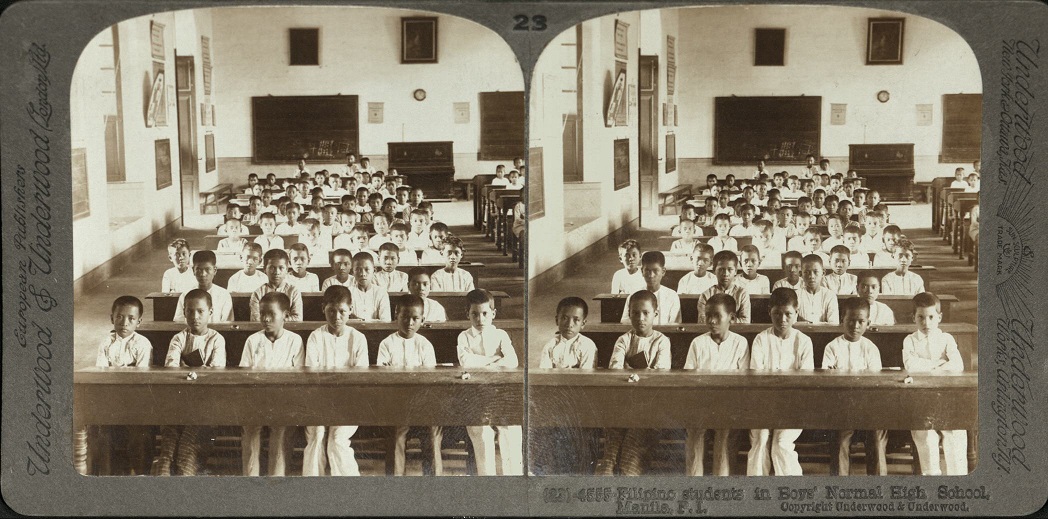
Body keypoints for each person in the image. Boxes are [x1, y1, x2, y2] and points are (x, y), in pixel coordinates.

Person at [595, 290, 671, 476]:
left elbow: (659, 374)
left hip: (650, 406)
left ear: (655, 313)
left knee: (632, 445)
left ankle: (629, 475)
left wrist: (630, 369)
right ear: (629, 314)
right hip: (623, 403)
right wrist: (639, 371)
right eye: (635, 313)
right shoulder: (623, 340)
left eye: (646, 313)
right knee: (612, 443)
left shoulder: (661, 341)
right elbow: (615, 369)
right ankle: (607, 472)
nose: (640, 318)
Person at [155, 289, 227, 476]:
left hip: (205, 408)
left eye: (200, 311)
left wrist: (187, 368)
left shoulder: (217, 339)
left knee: (186, 455)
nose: (195, 316)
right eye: (189, 311)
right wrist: (197, 370)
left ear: (210, 312)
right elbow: (171, 368)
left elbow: (216, 372)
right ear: (184, 312)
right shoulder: (179, 338)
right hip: (178, 405)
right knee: (167, 455)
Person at [302, 286, 368, 477]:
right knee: (317, 434)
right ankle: (314, 485)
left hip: (349, 402)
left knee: (337, 440)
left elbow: (359, 377)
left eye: (342, 311)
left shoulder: (358, 338)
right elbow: (311, 376)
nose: (337, 317)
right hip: (318, 401)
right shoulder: (316, 337)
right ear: (323, 308)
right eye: (331, 311)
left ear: (350, 309)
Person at [747, 287, 814, 476]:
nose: (782, 320)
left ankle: (790, 488)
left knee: (781, 443)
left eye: (788, 314)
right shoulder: (761, 339)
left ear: (796, 313)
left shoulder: (804, 341)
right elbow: (756, 377)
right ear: (770, 312)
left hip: (793, 404)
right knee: (760, 439)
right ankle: (757, 489)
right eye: (777, 314)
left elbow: (805, 380)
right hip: (763, 403)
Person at [376, 294, 444, 476]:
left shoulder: (425, 345)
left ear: (422, 319)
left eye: (415, 318)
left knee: (432, 431)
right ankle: (396, 483)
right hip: (397, 403)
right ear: (396, 314)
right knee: (396, 433)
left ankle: (434, 482)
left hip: (423, 403)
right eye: (405, 317)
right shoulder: (387, 344)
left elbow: (429, 379)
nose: (410, 323)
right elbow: (384, 378)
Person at [457, 289, 523, 476]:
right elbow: (466, 362)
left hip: (501, 393)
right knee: (482, 432)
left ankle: (515, 475)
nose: (480, 319)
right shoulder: (464, 337)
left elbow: (512, 361)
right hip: (475, 394)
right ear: (467, 314)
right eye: (475, 314)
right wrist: (495, 359)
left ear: (493, 314)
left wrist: (482, 363)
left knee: (511, 427)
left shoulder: (501, 335)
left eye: (485, 313)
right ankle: (487, 478)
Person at [684, 293, 749, 476]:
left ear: (731, 317)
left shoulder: (740, 343)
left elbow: (743, 380)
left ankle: (721, 483)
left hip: (729, 403)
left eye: (717, 316)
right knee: (695, 432)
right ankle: (694, 482)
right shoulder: (698, 343)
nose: (711, 321)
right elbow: (689, 378)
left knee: (725, 434)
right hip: (701, 402)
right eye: (708, 315)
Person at [823, 297, 888, 476]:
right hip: (842, 406)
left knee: (876, 437)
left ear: (868, 322)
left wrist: (842, 376)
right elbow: (829, 381)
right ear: (842, 319)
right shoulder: (832, 347)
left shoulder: (871, 348)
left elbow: (874, 383)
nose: (855, 326)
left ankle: (878, 483)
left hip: (869, 407)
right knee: (840, 439)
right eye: (850, 320)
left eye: (861, 321)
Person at [240, 292, 304, 476]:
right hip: (256, 398)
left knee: (281, 430)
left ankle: (276, 481)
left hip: (284, 399)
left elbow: (298, 376)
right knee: (251, 429)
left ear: (285, 314)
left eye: (271, 314)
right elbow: (245, 374)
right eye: (262, 314)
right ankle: (250, 480)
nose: (266, 319)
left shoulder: (295, 341)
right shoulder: (253, 340)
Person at [533, 297, 598, 475]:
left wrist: (562, 372)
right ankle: (550, 468)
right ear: (556, 320)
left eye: (576, 320)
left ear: (583, 323)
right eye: (564, 318)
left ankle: (581, 469)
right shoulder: (550, 346)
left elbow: (585, 378)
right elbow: (544, 375)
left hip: (580, 399)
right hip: (556, 397)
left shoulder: (587, 346)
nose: (569, 324)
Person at [905, 292, 968, 475]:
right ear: (913, 318)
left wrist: (929, 368)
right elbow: (912, 366)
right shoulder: (909, 341)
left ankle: (957, 479)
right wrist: (940, 364)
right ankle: (932, 479)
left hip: (946, 395)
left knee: (955, 432)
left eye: (931, 317)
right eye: (921, 317)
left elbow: (958, 365)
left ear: (939, 317)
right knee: (925, 435)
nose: (926, 323)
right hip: (921, 397)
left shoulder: (946, 339)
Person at [619, 251, 681, 324]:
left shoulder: (672, 296)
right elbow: (625, 323)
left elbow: (674, 325)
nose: (651, 275)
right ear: (642, 271)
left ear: (663, 271)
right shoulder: (634, 295)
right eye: (647, 271)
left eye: (655, 271)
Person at [173, 251, 233, 323]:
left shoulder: (224, 295)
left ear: (215, 270)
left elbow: (227, 325)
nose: (203, 274)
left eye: (207, 269)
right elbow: (179, 323)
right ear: (193, 271)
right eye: (198, 269)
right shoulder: (185, 295)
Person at [696, 250, 751, 323]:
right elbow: (702, 321)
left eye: (730, 269)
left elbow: (745, 321)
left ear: (735, 271)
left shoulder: (742, 294)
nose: (725, 273)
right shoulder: (706, 295)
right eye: (721, 269)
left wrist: (718, 320)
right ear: (714, 271)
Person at [249, 249, 303, 322]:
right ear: (264, 269)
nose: (277, 272)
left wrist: (271, 319)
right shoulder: (258, 293)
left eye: (281, 268)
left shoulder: (293, 291)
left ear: (287, 269)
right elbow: (256, 320)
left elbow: (298, 319)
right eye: (272, 267)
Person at [346, 251, 391, 321]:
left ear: (374, 270)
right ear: (352, 271)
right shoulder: (347, 292)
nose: (363, 274)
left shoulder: (381, 292)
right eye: (358, 270)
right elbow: (346, 319)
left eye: (367, 269)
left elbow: (385, 320)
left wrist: (359, 319)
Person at [797, 254, 839, 324]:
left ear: (823, 273)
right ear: (800, 274)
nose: (811, 276)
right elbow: (792, 323)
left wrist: (807, 323)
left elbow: (833, 323)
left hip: (823, 334)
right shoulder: (796, 295)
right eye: (807, 272)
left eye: (815, 272)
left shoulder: (830, 295)